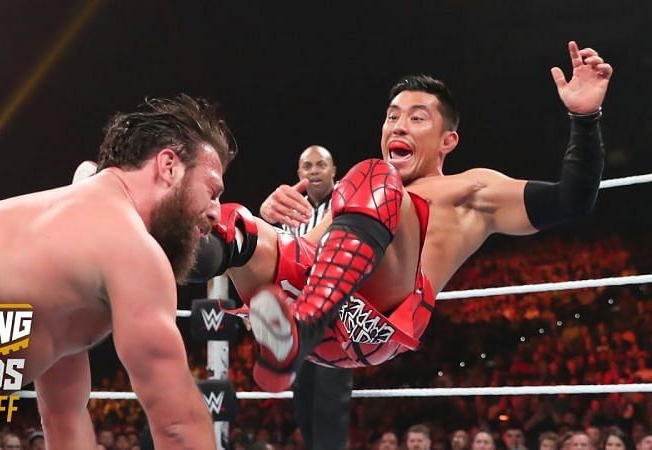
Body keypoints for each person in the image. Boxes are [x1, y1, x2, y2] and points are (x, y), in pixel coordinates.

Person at [189, 40, 612, 392]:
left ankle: (303, 326)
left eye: (416, 118)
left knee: (377, 178)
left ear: (449, 140)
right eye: (392, 117)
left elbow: (572, 201)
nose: (398, 127)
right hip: (311, 306)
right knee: (230, 222)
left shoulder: (470, 191)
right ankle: (151, 260)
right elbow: (306, 252)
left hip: (371, 324)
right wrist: (270, 225)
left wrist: (585, 117)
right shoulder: (354, 194)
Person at [0, 94, 236, 449]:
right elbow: (178, 426)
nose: (217, 213)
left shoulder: (65, 262)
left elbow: (62, 416)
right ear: (168, 166)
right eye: (213, 190)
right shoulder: (132, 249)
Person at [263, 145, 351, 450]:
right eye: (307, 166)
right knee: (303, 402)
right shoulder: (289, 208)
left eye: (320, 164)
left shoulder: (348, 197)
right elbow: (277, 256)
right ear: (299, 173)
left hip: (335, 312)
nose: (314, 171)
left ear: (333, 170)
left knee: (330, 404)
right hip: (299, 314)